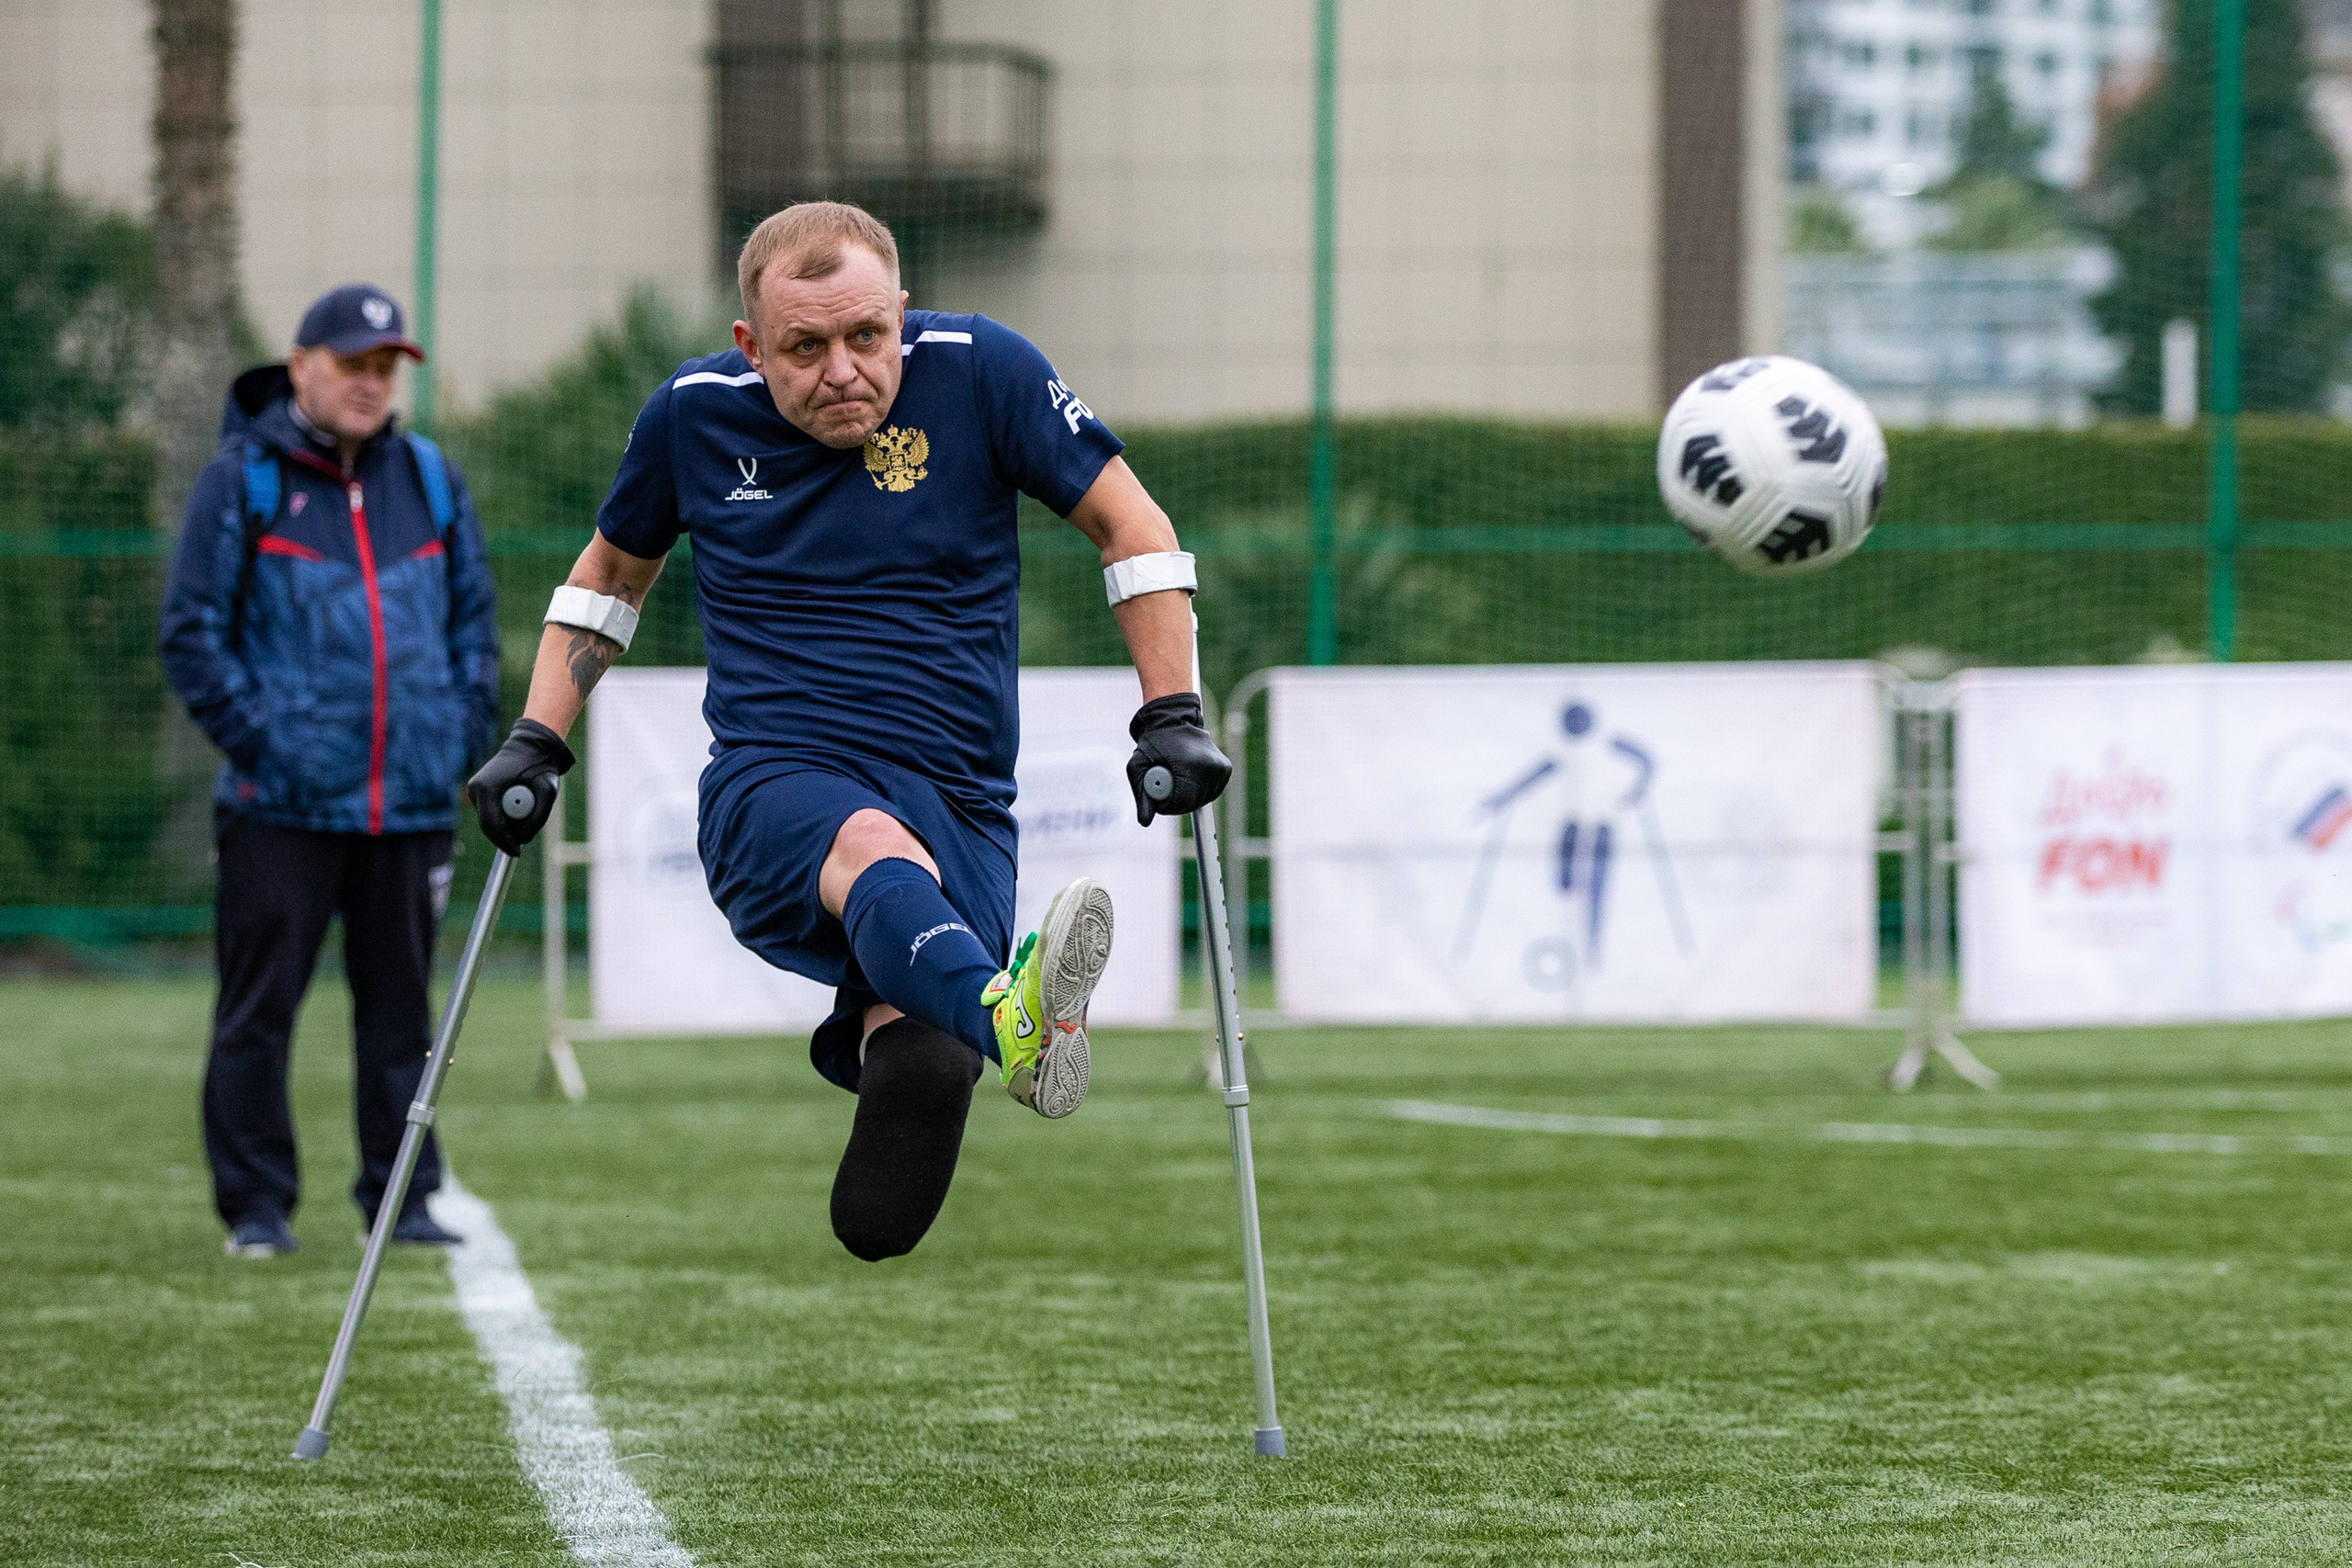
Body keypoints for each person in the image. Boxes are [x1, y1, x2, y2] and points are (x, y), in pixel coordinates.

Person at [467, 201, 1227, 1262]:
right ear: (751, 344)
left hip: (960, 798)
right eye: (805, 347)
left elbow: (1131, 527)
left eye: (867, 337)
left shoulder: (982, 372)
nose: (843, 371)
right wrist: (536, 741)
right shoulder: (692, 415)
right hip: (776, 783)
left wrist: (1172, 715)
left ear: (902, 317)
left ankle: (976, 1023)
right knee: (871, 846)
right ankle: (1019, 1022)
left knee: (903, 1130)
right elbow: (609, 576)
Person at [160, 284, 501, 1258]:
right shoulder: (243, 481)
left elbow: (475, 623)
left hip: (409, 807)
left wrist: (459, 729)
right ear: (300, 365)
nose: (370, 382)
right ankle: (258, 1210)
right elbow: (190, 635)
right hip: (281, 808)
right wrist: (268, 744)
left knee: (403, 1020)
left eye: (385, 365)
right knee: (258, 1016)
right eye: (353, 362)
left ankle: (403, 1203)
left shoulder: (431, 478)